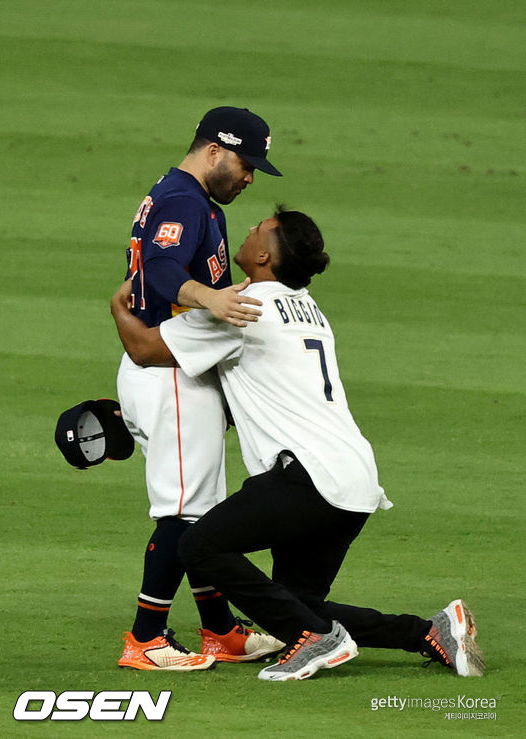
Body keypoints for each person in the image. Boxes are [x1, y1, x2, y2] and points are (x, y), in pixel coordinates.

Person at [111, 206, 485, 682]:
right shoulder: (307, 306)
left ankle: (316, 641)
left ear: (264, 255)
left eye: (257, 231)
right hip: (354, 481)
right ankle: (428, 632)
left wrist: (119, 306)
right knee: (296, 606)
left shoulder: (242, 306)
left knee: (199, 545)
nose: (247, 231)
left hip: (308, 477)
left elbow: (143, 349)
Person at [116, 107, 284, 671]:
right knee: (185, 513)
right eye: (245, 163)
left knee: (202, 512)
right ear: (214, 150)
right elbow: (162, 269)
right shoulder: (186, 200)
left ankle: (220, 632)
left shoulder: (189, 198)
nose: (250, 176)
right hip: (171, 375)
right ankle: (146, 638)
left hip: (179, 371)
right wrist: (209, 297)